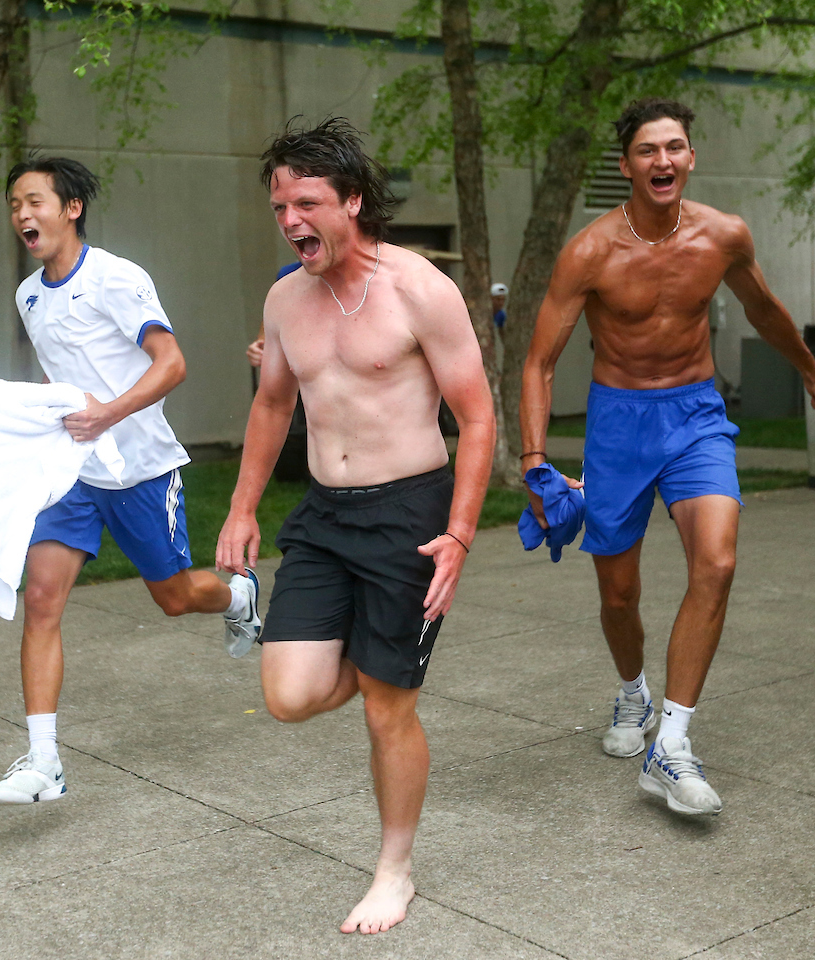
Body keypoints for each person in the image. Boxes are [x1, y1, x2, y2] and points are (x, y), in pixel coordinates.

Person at [520, 98, 815, 817]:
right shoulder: (591, 251)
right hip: (618, 425)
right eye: (647, 150)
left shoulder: (723, 236)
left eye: (674, 148)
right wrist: (536, 461)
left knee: (719, 561)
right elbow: (540, 362)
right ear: (626, 165)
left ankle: (671, 744)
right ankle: (631, 692)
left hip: (697, 415)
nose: (662, 161)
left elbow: (764, 310)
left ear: (691, 156)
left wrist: (813, 376)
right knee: (619, 596)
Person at [216, 118, 495, 934]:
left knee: (386, 711)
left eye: (308, 202)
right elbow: (272, 404)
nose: (291, 220)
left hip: (410, 514)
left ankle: (394, 870)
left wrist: (461, 534)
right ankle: (379, 660)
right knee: (289, 696)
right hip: (326, 516)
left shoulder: (419, 290)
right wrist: (241, 506)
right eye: (279, 207)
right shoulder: (284, 299)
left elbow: (477, 419)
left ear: (354, 201)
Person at [0, 157, 262, 806]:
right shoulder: (28, 296)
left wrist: (107, 413)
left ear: (71, 207)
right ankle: (44, 761)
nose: (23, 214)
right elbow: (65, 377)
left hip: (140, 469)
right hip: (72, 475)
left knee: (172, 596)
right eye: (14, 205)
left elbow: (171, 364)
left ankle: (238, 600)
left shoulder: (115, 278)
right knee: (43, 600)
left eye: (34, 201)